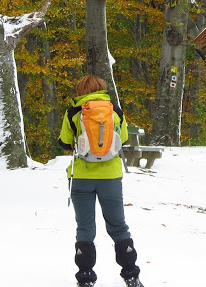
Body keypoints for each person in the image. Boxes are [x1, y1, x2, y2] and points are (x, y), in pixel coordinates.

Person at [59, 75, 144, 287]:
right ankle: (130, 275)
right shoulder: (114, 111)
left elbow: (65, 143)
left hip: (81, 177)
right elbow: (122, 139)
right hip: (111, 177)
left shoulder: (73, 111)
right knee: (118, 226)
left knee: (85, 227)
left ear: (81, 90)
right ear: (101, 88)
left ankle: (86, 277)